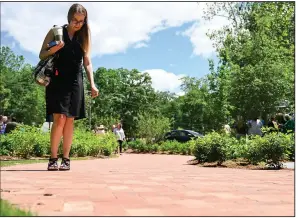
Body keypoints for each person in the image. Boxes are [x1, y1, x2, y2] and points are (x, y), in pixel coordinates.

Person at [39, 3, 99, 171]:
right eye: (75, 20)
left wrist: (92, 83)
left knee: (70, 120)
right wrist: (53, 49)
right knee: (59, 119)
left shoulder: (84, 35)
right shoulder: (56, 31)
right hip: (58, 80)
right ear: (69, 18)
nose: (78, 24)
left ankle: (66, 158)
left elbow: (87, 61)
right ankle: (52, 158)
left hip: (76, 82)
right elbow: (42, 53)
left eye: (81, 21)